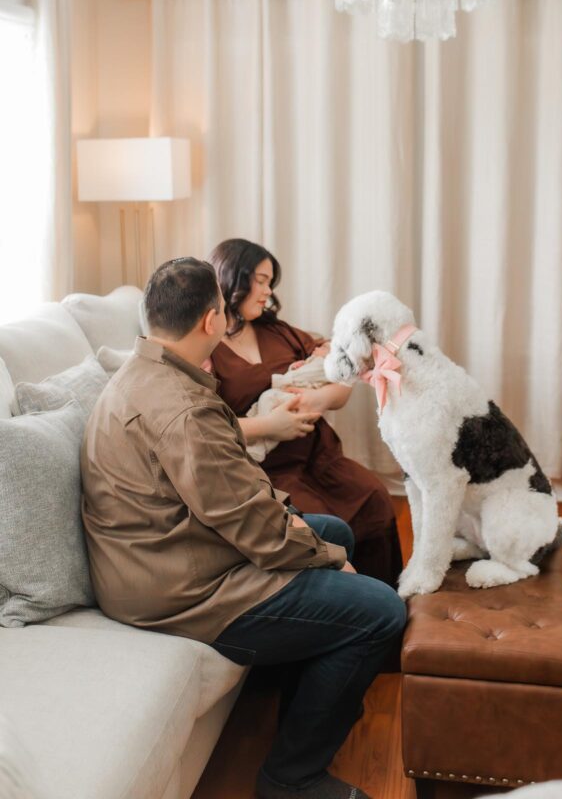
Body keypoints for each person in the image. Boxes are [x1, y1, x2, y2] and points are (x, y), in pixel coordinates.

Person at [80, 257, 406, 799]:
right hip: (177, 587)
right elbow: (249, 522)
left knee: (334, 529)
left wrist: (317, 540)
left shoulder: (146, 373)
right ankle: (291, 777)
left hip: (163, 553)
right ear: (211, 321)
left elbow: (235, 495)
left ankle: (306, 706)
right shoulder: (184, 408)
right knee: (381, 610)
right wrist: (324, 557)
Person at [207, 238, 404, 586]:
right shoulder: (208, 347)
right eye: (262, 281)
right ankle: (355, 606)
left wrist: (321, 399)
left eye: (270, 283)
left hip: (320, 457)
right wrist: (270, 424)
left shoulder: (278, 331)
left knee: (375, 498)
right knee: (323, 523)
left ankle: (391, 602)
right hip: (268, 470)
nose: (268, 292)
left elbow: (344, 377)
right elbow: (204, 425)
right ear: (234, 278)